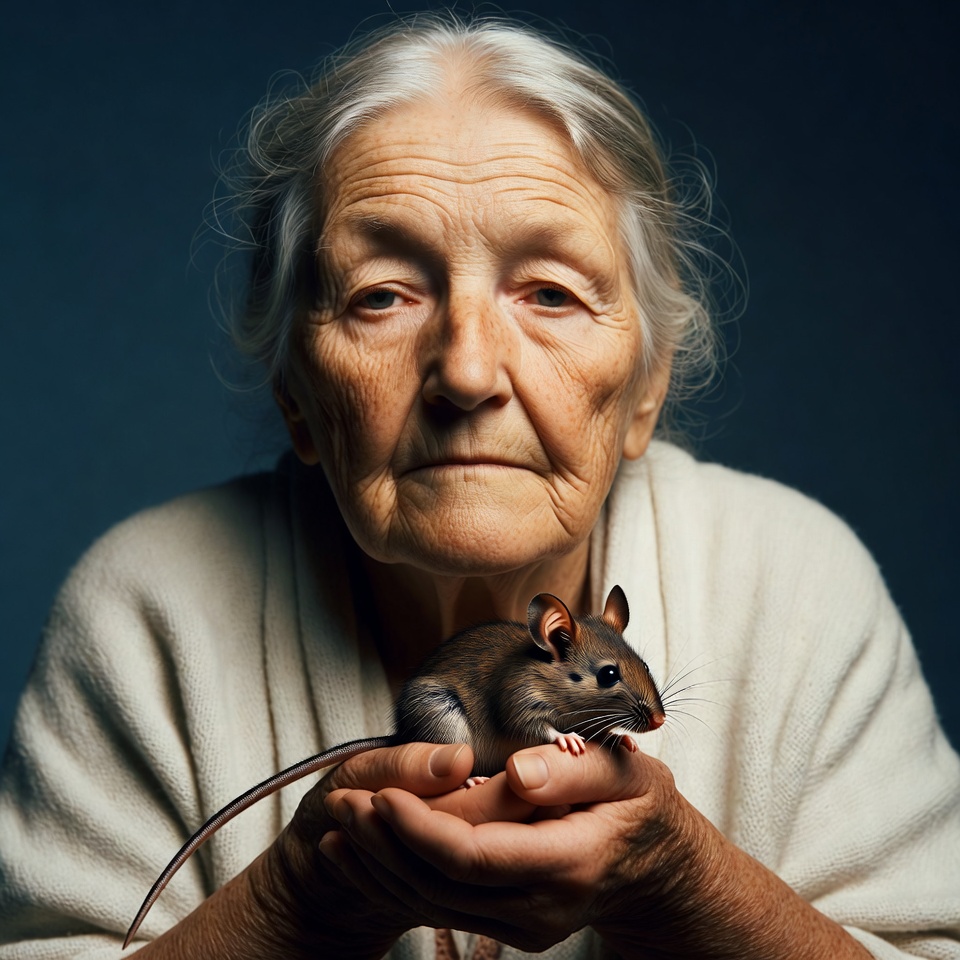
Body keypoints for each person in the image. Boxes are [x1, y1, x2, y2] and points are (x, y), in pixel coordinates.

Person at [1, 13, 958, 960]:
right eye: (381, 295)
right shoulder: (143, 606)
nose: (465, 372)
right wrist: (306, 902)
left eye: (549, 292)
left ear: (643, 391)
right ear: (297, 393)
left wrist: (682, 884)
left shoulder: (800, 580)